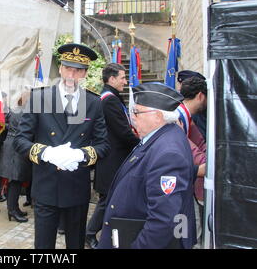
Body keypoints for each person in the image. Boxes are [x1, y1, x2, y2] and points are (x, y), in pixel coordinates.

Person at [14, 43, 110, 249]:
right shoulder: (39, 97)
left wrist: (80, 155)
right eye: (67, 68)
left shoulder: (93, 102)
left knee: (75, 245)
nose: (71, 75)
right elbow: (20, 140)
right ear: (60, 68)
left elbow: (103, 145)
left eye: (77, 70)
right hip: (46, 186)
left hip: (76, 187)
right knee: (43, 246)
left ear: (84, 73)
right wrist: (46, 153)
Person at [97, 83, 197, 249]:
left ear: (157, 116)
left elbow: (163, 220)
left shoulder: (167, 153)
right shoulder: (162, 135)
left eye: (136, 112)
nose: (132, 117)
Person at [85, 63, 140, 249]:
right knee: (107, 200)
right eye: (123, 78)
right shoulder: (109, 99)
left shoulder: (111, 97)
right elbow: (123, 131)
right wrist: (141, 144)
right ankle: (90, 233)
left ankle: (104, 233)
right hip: (112, 159)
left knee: (110, 199)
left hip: (114, 157)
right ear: (112, 78)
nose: (125, 81)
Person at [178, 76, 208, 246]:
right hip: (182, 182)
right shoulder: (179, 117)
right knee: (187, 228)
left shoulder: (184, 115)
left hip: (188, 180)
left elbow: (199, 143)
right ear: (200, 96)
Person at [0, 91, 32, 223]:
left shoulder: (14, 110)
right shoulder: (25, 113)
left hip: (11, 145)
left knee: (15, 181)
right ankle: (12, 210)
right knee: (15, 181)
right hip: (17, 148)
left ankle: (14, 208)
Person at [177, 70, 207, 139]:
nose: (179, 89)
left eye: (181, 84)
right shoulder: (180, 117)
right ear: (200, 96)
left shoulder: (180, 115)